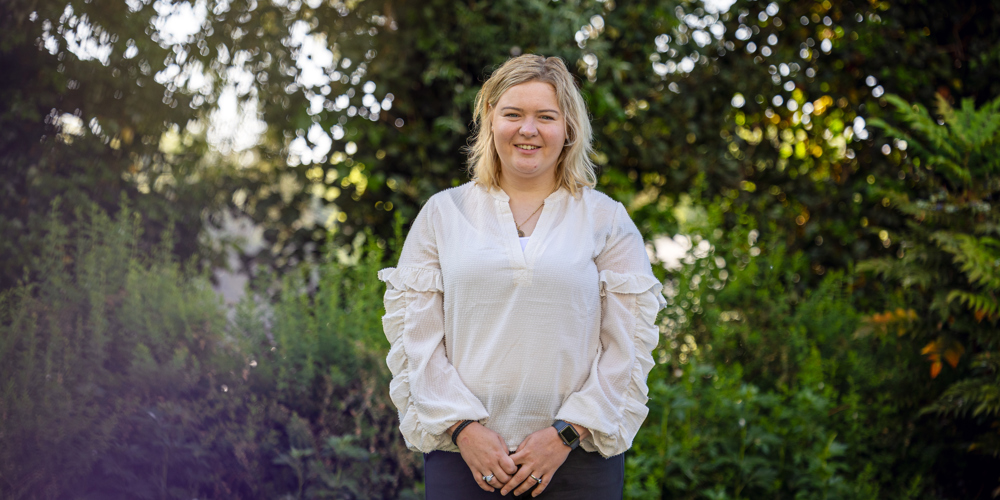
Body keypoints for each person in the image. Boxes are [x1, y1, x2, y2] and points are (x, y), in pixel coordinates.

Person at [378, 54, 665, 499]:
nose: (528, 129)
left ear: (568, 127)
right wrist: (464, 429)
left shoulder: (607, 219)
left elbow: (625, 349)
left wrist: (565, 436)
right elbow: (417, 341)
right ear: (490, 121)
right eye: (513, 114)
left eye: (545, 116)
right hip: (465, 461)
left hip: (576, 462)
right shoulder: (442, 213)